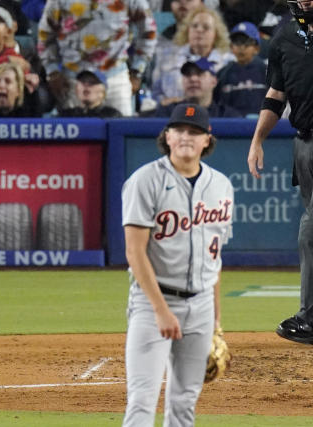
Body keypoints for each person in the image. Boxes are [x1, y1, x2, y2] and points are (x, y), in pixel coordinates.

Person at [122, 103, 233, 426]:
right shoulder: (144, 181)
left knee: (184, 402)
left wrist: (216, 318)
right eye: (180, 130)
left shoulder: (222, 186)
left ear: (207, 140)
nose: (187, 137)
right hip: (152, 303)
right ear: (167, 137)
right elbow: (134, 252)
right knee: (142, 401)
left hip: (200, 306)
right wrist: (160, 309)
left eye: (194, 132)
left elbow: (214, 257)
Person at [247, 0, 313, 345]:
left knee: (311, 230)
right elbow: (276, 95)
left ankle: (309, 319)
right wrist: (257, 140)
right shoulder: (285, 36)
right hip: (304, 144)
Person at [37, 0, 157, 116]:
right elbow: (45, 36)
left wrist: (137, 71)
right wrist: (52, 72)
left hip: (115, 77)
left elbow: (149, 32)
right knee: (76, 133)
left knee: (121, 131)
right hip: (73, 80)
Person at [151, 5, 234, 106]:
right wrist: (164, 102)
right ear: (187, 31)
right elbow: (155, 94)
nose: (199, 30)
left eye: (206, 27)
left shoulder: (229, 62)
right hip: (173, 114)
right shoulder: (167, 58)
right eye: (194, 26)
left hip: (218, 116)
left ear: (216, 34)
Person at [151, 57, 243, 117]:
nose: (193, 79)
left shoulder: (228, 116)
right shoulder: (167, 113)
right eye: (188, 74)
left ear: (214, 81)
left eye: (200, 74)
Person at [215, 21, 267, 117]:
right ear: (231, 47)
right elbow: (217, 103)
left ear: (257, 48)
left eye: (246, 42)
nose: (241, 48)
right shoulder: (223, 74)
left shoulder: (267, 71)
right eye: (237, 42)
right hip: (231, 126)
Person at [58, 68, 122, 118]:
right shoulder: (67, 115)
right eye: (82, 82)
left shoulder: (112, 115)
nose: (86, 85)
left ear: (103, 92)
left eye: (92, 82)